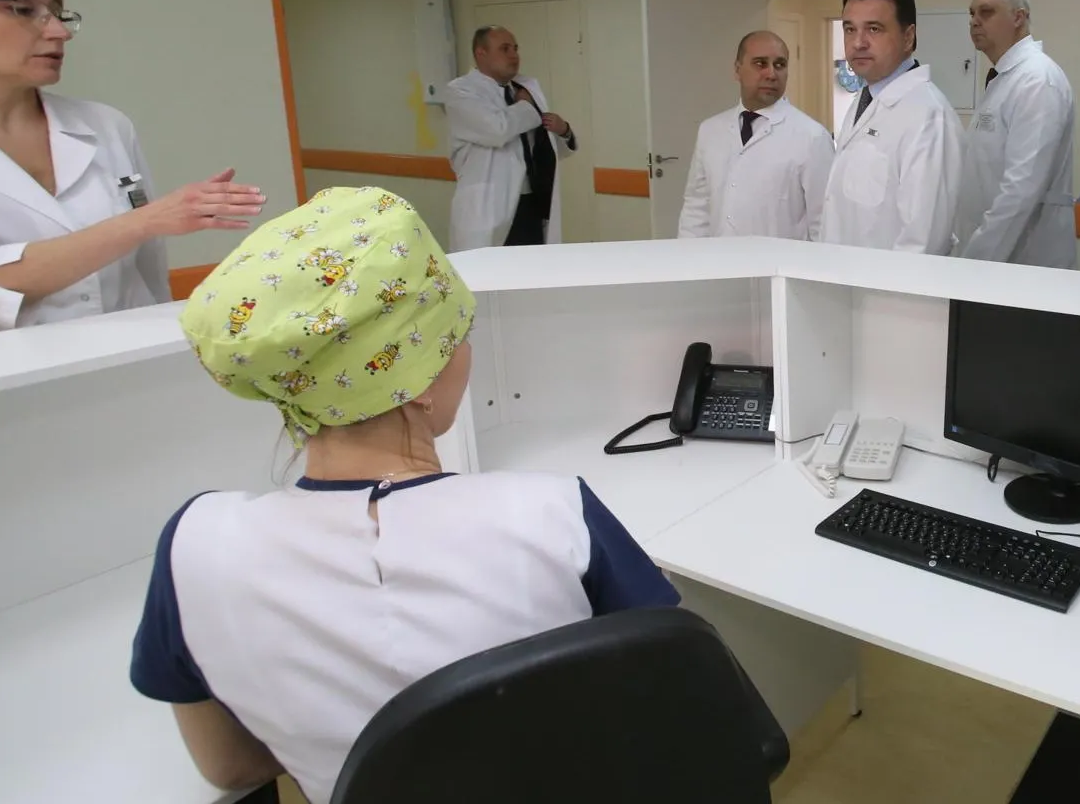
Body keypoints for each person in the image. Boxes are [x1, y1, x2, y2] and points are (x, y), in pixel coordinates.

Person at [131, 186, 679, 803]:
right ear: (415, 374)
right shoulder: (556, 515)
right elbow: (673, 695)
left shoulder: (196, 545)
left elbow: (230, 768)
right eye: (458, 332)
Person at [0, 0, 265, 338]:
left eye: (57, 14)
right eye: (24, 10)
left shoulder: (104, 125)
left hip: (128, 354)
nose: (60, 32)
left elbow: (147, 269)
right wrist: (145, 221)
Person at [817, 0, 961, 254]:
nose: (858, 43)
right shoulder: (865, 100)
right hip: (841, 273)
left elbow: (923, 242)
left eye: (874, 29)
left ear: (908, 37)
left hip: (887, 282)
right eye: (849, 29)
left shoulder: (928, 117)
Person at [954, 0, 1076, 268]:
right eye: (971, 13)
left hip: (1024, 258)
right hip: (997, 256)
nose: (974, 21)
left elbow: (1021, 188)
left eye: (986, 12)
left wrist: (975, 263)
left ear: (1018, 17)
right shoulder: (1005, 78)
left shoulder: (1037, 80)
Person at [679, 30, 833, 240]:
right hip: (718, 257)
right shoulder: (710, 130)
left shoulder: (812, 137)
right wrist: (689, 255)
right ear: (737, 70)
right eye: (760, 64)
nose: (771, 74)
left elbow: (823, 222)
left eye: (780, 65)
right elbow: (697, 207)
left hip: (780, 260)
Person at [445, 26, 577, 251]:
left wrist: (564, 131)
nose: (514, 55)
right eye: (504, 49)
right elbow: (497, 130)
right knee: (490, 270)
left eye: (515, 48)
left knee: (534, 269)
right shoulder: (461, 91)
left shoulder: (525, 88)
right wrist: (526, 106)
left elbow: (542, 148)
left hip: (530, 204)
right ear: (481, 53)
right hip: (488, 207)